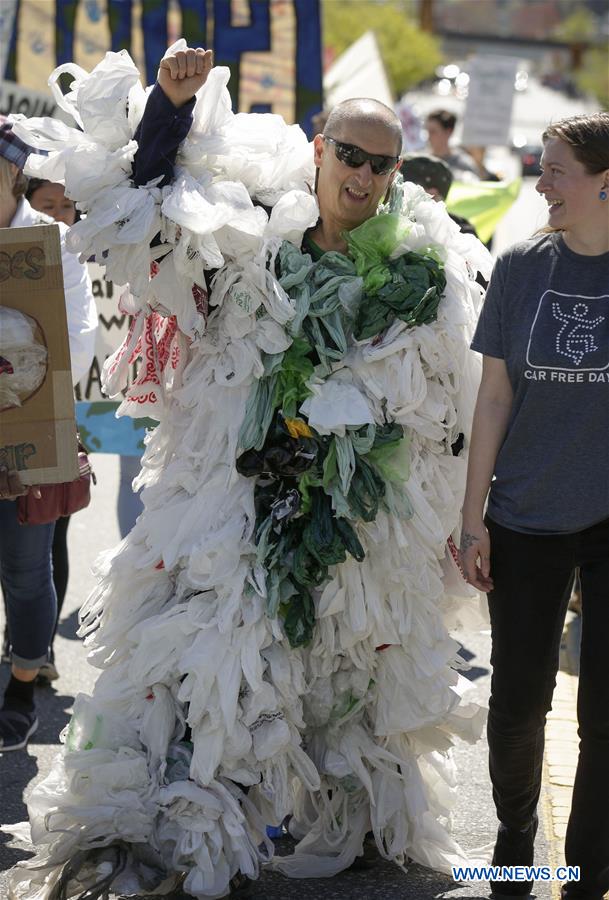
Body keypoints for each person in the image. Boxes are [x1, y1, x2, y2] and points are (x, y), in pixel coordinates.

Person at [6, 45, 490, 897]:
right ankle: (179, 834)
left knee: (350, 672)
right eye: (350, 155)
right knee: (213, 667)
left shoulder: (417, 267)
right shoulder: (255, 229)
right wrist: (167, 104)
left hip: (351, 521)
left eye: (381, 164)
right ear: (317, 150)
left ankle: (354, 821)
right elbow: (154, 206)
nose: (365, 177)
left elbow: (446, 398)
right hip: (233, 502)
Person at [460, 111, 609, 900]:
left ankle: (585, 877)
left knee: (604, 717)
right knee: (519, 703)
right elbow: (491, 397)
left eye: (555, 170)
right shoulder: (519, 263)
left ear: (603, 183)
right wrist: (470, 513)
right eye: (539, 166)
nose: (540, 183)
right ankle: (514, 833)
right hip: (526, 510)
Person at [0, 119, 97, 750]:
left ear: (12, 173)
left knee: (26, 572)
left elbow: (78, 338)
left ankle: (21, 684)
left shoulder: (52, 244)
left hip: (26, 428)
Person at [425, 109, 480, 181]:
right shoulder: (421, 162)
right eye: (427, 131)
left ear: (448, 132)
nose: (428, 137)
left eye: (433, 132)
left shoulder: (464, 164)